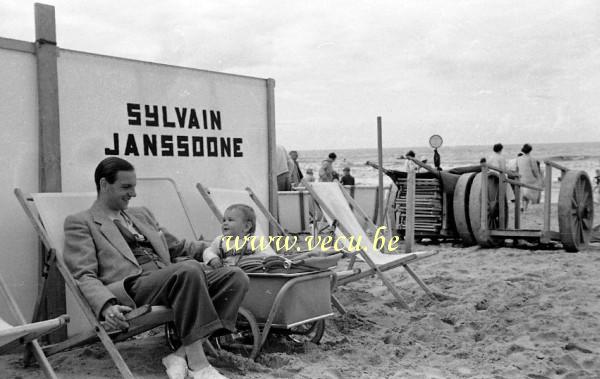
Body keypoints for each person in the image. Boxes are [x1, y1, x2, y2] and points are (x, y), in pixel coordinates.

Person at [63, 157, 249, 379]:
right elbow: (84, 274)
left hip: (173, 280)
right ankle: (199, 366)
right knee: (188, 270)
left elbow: (178, 247)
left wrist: (221, 245)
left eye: (134, 186)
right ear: (104, 184)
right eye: (126, 187)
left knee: (235, 277)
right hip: (133, 288)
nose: (133, 193)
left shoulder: (140, 214)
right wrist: (106, 306)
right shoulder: (81, 222)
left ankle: (180, 355)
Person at [516, 143, 542, 211]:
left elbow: (517, 169)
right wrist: (539, 178)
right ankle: (529, 204)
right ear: (530, 150)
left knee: (523, 190)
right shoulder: (531, 159)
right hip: (530, 180)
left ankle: (522, 206)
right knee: (537, 183)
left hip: (521, 179)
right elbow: (535, 170)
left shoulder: (518, 159)